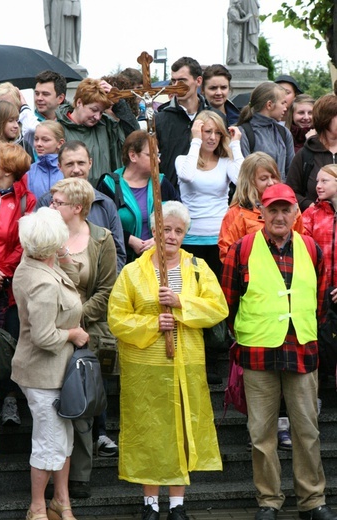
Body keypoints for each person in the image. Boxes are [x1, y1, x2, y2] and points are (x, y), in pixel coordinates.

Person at [221, 183, 337, 520]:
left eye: (286, 209)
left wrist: (305, 330)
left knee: (307, 432)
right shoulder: (242, 249)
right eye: (273, 209)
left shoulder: (312, 249)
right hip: (257, 352)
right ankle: (268, 502)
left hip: (302, 349)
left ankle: (312, 501)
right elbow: (229, 302)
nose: (280, 215)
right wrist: (246, 333)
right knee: (261, 434)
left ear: (295, 213)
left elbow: (318, 304)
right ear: (262, 212)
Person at [108, 200, 227, 520]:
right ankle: (149, 504)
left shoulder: (199, 268)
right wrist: (151, 324)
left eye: (179, 230)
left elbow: (218, 308)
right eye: (166, 229)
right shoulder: (132, 272)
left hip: (185, 365)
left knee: (181, 433)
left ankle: (177, 505)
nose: (172, 235)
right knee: (148, 433)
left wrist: (180, 303)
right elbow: (117, 318)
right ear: (154, 231)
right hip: (145, 368)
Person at [11, 207, 89, 520]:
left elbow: (74, 278)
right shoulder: (40, 281)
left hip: (56, 372)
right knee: (48, 443)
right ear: (51, 243)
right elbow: (44, 336)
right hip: (44, 373)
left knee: (61, 438)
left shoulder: (39, 262)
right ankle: (37, 508)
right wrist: (73, 333)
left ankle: (60, 501)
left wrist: (62, 254)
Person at [49, 177, 117, 499]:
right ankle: (50, 476)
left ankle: (80, 476)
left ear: (77, 207)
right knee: (50, 407)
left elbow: (106, 291)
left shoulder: (102, 239)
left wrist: (76, 319)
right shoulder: (46, 236)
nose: (52, 206)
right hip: (50, 331)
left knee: (81, 402)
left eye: (58, 202)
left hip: (85, 332)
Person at [0, 142, 36, 426]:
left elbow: (25, 242)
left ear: (7, 169)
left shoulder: (25, 200)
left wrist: (2, 270)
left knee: (7, 339)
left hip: (8, 282)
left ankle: (8, 399)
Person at [36, 140, 126, 273]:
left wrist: (105, 287)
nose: (76, 170)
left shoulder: (105, 204)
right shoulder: (46, 203)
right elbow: (37, 249)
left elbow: (118, 253)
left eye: (81, 163)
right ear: (59, 166)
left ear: (90, 163)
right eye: (70, 164)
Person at [175, 110, 243, 278]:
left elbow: (242, 179)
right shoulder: (183, 160)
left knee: (218, 291)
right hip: (190, 237)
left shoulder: (226, 162)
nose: (213, 137)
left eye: (218, 133)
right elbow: (187, 176)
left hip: (220, 238)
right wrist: (196, 141)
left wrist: (235, 144)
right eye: (208, 131)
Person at [97, 129, 180, 263]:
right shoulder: (109, 185)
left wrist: (159, 239)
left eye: (158, 154)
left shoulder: (162, 183)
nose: (158, 160)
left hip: (159, 261)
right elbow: (100, 225)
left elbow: (181, 218)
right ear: (133, 156)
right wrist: (129, 240)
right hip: (120, 261)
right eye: (151, 154)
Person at [219, 152, 305, 264]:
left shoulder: (292, 207)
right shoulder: (236, 214)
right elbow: (228, 254)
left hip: (287, 270)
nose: (270, 183)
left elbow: (301, 242)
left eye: (273, 177)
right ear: (250, 181)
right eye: (264, 178)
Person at [56, 77, 139, 187]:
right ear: (79, 102)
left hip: (103, 197)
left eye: (101, 112)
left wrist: (119, 103)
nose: (97, 117)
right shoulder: (57, 128)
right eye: (94, 110)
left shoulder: (106, 125)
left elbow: (135, 139)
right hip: (69, 195)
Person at [155, 56, 224, 188]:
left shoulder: (216, 117)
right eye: (173, 81)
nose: (176, 86)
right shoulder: (160, 119)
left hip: (206, 195)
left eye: (182, 81)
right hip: (171, 196)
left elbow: (224, 155)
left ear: (198, 81)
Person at [302, 164, 337, 379]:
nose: (318, 186)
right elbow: (300, 252)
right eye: (317, 181)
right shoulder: (311, 214)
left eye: (325, 181)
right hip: (317, 290)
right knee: (318, 343)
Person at [286, 94, 337, 211]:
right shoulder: (306, 154)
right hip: (315, 225)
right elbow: (291, 192)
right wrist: (311, 207)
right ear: (326, 119)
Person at [238, 81, 295, 180]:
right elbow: (245, 173)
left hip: (280, 194)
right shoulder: (243, 133)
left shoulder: (284, 133)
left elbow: (291, 171)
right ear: (269, 105)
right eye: (282, 103)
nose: (285, 108)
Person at [26, 120, 65, 200]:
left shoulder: (68, 170)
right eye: (36, 139)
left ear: (60, 143)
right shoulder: (29, 171)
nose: (38, 144)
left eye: (45, 140)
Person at [43, 0, 81, 66]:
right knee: (56, 33)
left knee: (69, 33)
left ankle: (68, 57)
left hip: (69, 7)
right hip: (57, 6)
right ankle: (57, 57)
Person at [226, 0, 252, 65]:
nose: (240, 5)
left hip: (237, 29)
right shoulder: (232, 11)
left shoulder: (236, 10)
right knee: (234, 43)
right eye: (238, 3)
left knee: (237, 43)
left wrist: (240, 10)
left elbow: (241, 15)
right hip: (233, 29)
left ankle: (236, 59)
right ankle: (233, 60)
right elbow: (237, 20)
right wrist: (247, 18)